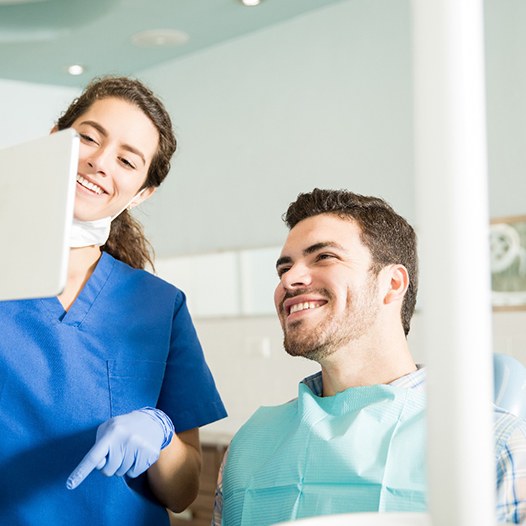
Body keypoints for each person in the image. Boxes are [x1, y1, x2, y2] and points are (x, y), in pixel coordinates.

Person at [213, 188, 526, 525]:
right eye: (284, 268)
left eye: (324, 257)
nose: (289, 279)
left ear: (392, 284)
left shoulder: (496, 446)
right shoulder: (247, 447)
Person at [0, 76, 226, 525]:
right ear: (54, 140)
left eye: (127, 160)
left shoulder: (159, 305)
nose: (99, 163)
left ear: (142, 192)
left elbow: (182, 492)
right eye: (87, 138)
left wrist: (161, 437)